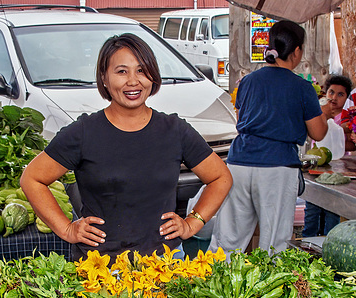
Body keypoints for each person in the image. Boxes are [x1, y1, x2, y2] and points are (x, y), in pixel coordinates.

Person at [20, 34, 232, 263]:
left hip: (164, 265)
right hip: (100, 269)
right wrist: (67, 229)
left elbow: (221, 177)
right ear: (104, 78)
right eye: (121, 71)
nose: (133, 81)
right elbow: (32, 178)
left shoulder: (175, 131)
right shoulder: (83, 132)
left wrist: (192, 223)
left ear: (153, 75)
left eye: (141, 70)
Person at [209, 20, 329, 254]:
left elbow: (241, 119)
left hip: (239, 163)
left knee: (228, 239)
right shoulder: (303, 87)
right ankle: (269, 289)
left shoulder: (247, 81)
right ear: (296, 52)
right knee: (274, 243)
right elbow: (318, 132)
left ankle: (210, 284)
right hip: (276, 167)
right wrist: (324, 112)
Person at [303, 74, 352, 238]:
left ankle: (329, 240)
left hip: (337, 172)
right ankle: (307, 238)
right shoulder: (318, 114)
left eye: (340, 94)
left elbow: (348, 145)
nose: (334, 98)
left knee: (333, 208)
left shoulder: (345, 120)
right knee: (312, 206)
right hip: (316, 169)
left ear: (347, 98)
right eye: (331, 92)